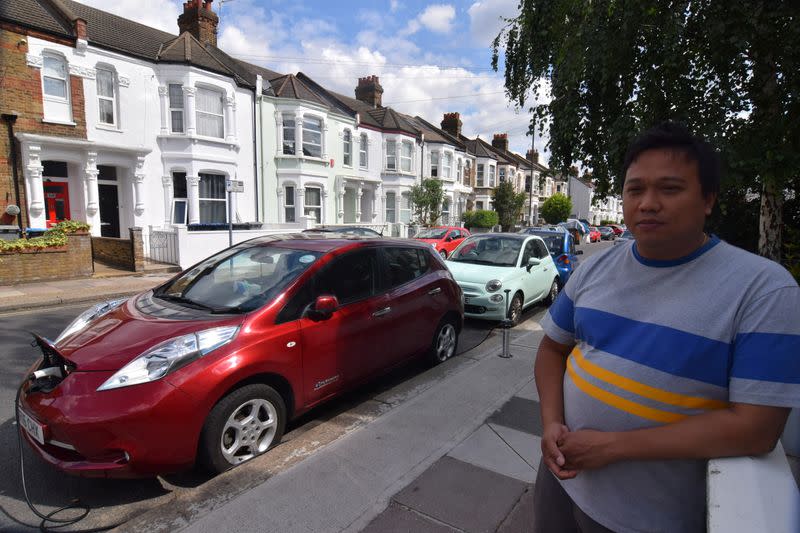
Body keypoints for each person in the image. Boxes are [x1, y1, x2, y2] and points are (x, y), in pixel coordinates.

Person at [533, 121, 800, 532]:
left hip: (649, 516)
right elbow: (552, 349)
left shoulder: (763, 290)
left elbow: (756, 429)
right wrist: (551, 422)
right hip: (560, 478)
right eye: (635, 190)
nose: (648, 203)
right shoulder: (595, 267)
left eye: (670, 189)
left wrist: (614, 448)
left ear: (708, 199)